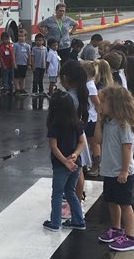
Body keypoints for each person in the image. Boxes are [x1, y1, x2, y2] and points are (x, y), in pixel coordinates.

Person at [94, 85, 134, 252]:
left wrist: (123, 170)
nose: (100, 105)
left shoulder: (124, 125)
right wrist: (99, 121)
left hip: (122, 172)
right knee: (111, 201)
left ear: (114, 104)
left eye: (103, 102)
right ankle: (116, 229)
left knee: (124, 203)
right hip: (109, 170)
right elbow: (98, 140)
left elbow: (127, 148)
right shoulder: (108, 122)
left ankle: (129, 237)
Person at [43, 92, 87, 231]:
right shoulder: (76, 122)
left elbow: (54, 146)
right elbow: (81, 142)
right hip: (76, 164)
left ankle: (55, 222)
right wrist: (74, 155)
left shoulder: (55, 124)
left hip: (61, 165)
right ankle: (78, 220)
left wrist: (64, 161)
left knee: (57, 193)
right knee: (70, 192)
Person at [59, 60, 91, 203]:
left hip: (70, 139)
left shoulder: (68, 98)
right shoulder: (81, 93)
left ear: (65, 78)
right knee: (79, 170)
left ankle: (76, 201)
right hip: (79, 136)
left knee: (75, 171)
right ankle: (78, 198)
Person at [81, 60, 101, 176]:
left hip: (92, 118)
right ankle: (85, 163)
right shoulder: (86, 84)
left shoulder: (91, 87)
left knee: (93, 142)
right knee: (86, 141)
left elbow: (97, 103)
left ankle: (96, 165)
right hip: (86, 117)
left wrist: (100, 116)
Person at [13, 29, 31, 95]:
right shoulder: (15, 45)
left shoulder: (27, 46)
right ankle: (17, 89)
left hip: (24, 64)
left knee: (22, 77)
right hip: (17, 64)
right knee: (16, 77)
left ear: (25, 37)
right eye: (19, 36)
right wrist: (14, 63)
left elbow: (29, 55)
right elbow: (13, 54)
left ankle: (22, 88)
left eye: (22, 36)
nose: (20, 37)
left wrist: (29, 64)